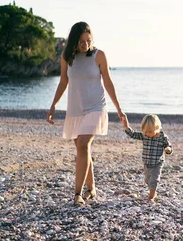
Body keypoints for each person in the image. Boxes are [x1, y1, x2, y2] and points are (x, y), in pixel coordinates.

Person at [46, 21, 126, 205]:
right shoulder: (68, 57)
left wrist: (119, 110)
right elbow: (63, 82)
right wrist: (53, 105)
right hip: (75, 108)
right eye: (81, 41)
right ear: (73, 41)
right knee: (83, 149)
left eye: (88, 40)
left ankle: (77, 194)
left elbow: (108, 82)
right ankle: (92, 188)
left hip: (96, 106)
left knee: (83, 144)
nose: (85, 44)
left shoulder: (99, 56)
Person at [121, 114, 173, 202]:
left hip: (157, 162)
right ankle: (153, 191)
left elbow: (168, 146)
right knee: (147, 180)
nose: (147, 134)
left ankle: (151, 197)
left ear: (157, 128)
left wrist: (168, 150)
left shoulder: (162, 137)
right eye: (145, 132)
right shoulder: (145, 135)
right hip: (147, 162)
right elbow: (133, 135)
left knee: (154, 180)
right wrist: (126, 126)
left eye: (149, 131)